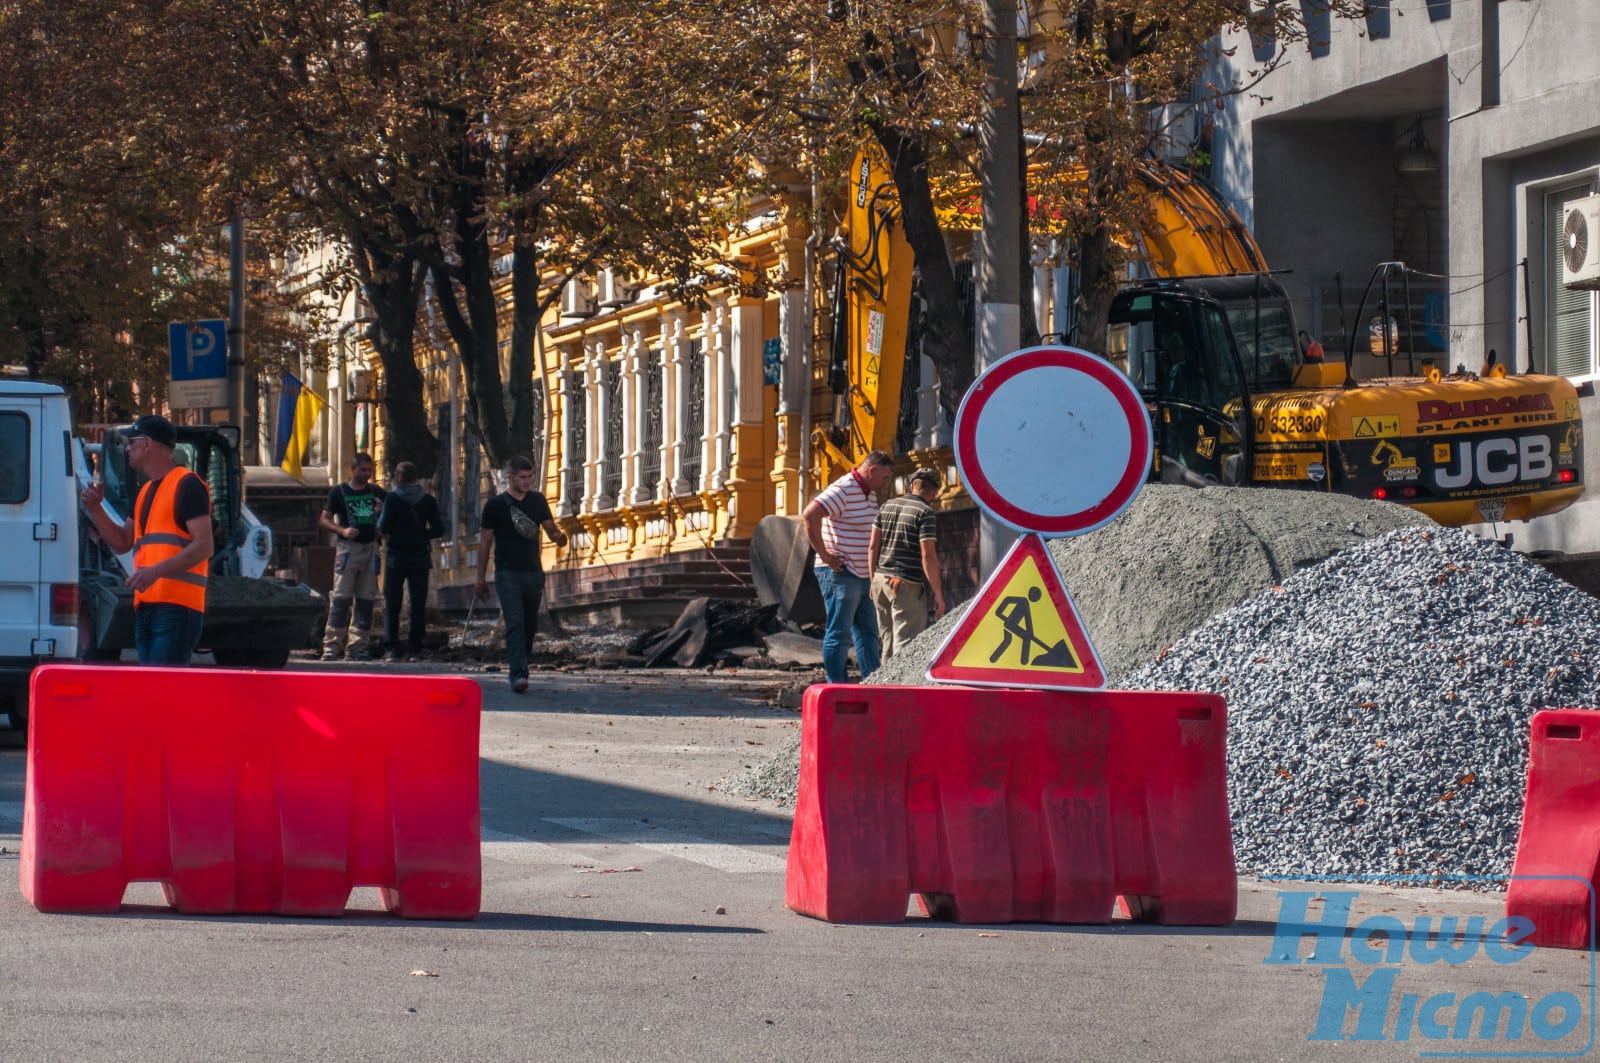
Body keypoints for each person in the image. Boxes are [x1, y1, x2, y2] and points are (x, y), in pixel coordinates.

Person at [81, 414, 214, 665]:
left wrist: (154, 573)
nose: (128, 448)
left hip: (177, 606)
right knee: (153, 691)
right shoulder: (145, 493)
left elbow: (204, 546)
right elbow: (122, 541)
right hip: (147, 605)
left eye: (133, 442)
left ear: (148, 444)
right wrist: (95, 510)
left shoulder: (187, 485)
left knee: (163, 692)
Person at [476, 455, 568, 693]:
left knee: (529, 625)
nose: (527, 482)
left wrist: (558, 537)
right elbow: (485, 542)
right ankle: (518, 674)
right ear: (510, 477)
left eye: (530, 477)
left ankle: (521, 661)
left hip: (533, 573)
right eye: (522, 477)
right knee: (514, 622)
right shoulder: (495, 506)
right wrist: (480, 578)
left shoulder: (537, 501)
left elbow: (550, 529)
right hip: (507, 572)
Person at [802, 449, 895, 684]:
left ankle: (871, 683)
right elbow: (810, 515)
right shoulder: (843, 489)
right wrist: (825, 554)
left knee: (867, 634)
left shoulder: (868, 493)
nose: (885, 483)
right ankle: (837, 685)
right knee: (839, 633)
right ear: (871, 470)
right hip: (840, 572)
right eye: (884, 478)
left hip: (862, 574)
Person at [868, 466, 945, 660]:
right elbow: (928, 556)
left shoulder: (886, 506)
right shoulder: (925, 512)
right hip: (905, 585)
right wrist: (938, 594)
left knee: (887, 641)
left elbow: (872, 546)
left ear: (911, 485)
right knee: (905, 646)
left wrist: (872, 580)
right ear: (934, 491)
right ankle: (899, 690)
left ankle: (883, 686)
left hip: (880, 580)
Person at [376, 461, 445, 662]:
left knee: (393, 604)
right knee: (418, 605)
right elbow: (439, 529)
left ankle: (391, 648)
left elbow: (384, 527)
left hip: (395, 557)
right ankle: (415, 649)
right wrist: (422, 534)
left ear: (398, 477)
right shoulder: (427, 500)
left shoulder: (392, 499)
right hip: (420, 557)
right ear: (416, 478)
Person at [320, 452, 386, 661]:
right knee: (340, 597)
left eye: (370, 470)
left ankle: (357, 646)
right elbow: (324, 519)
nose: (367, 474)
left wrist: (381, 514)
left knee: (366, 599)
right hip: (348, 549)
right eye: (363, 470)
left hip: (370, 548)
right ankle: (332, 644)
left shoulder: (376, 492)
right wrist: (342, 531)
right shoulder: (340, 492)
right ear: (353, 469)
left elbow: (391, 515)